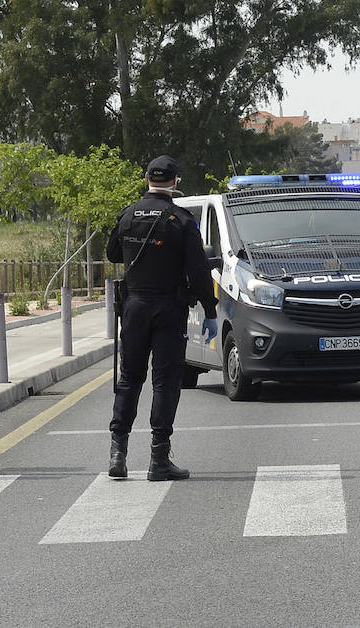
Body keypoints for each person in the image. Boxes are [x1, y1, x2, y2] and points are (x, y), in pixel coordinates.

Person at [105, 155, 218, 481]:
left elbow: (112, 253)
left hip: (135, 307)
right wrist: (210, 312)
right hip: (169, 308)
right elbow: (198, 270)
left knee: (129, 378)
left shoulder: (127, 215)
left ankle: (118, 454)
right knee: (165, 382)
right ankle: (159, 459)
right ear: (175, 182)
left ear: (146, 178)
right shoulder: (181, 219)